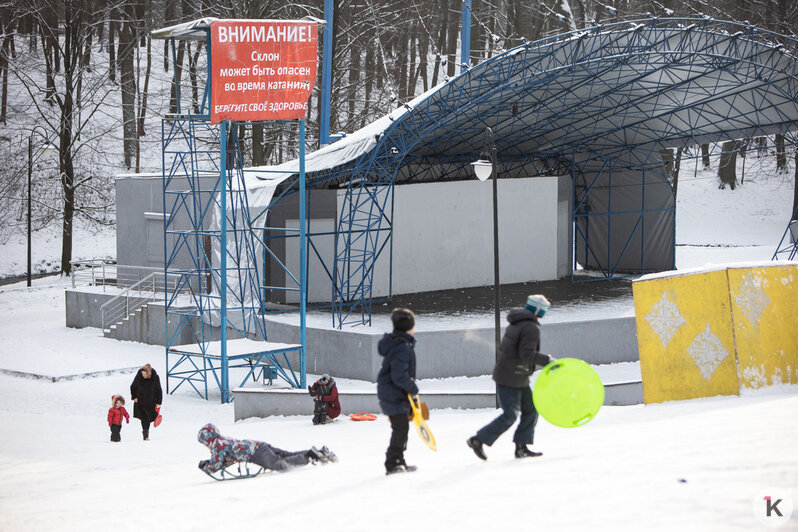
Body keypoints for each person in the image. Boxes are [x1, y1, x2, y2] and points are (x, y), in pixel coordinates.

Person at [467, 294, 555, 461]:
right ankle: (478, 440)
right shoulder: (530, 327)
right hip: (511, 378)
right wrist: (548, 361)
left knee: (531, 409)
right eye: (544, 309)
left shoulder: (518, 322)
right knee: (510, 415)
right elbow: (526, 353)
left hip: (516, 375)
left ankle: (521, 447)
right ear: (538, 310)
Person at [197, 423, 337, 475]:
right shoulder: (222, 440)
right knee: (286, 455)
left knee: (279, 464)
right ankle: (317, 452)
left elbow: (216, 464)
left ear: (208, 439)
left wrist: (205, 466)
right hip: (259, 445)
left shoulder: (218, 445)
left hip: (255, 453)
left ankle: (310, 457)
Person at [377, 307, 420, 475]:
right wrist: (413, 388)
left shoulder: (399, 343)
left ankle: (399, 461)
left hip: (394, 393)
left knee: (402, 428)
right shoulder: (402, 347)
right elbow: (398, 375)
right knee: (400, 428)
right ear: (409, 327)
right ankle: (392, 463)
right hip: (392, 394)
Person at [130, 363, 162, 441]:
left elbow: (158, 390)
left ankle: (146, 432)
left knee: (149, 417)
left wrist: (159, 401)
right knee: (144, 418)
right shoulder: (139, 376)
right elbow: (133, 386)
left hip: (151, 402)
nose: (143, 376)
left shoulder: (155, 378)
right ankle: (145, 434)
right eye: (142, 374)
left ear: (149, 373)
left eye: (145, 374)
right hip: (141, 401)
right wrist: (134, 397)